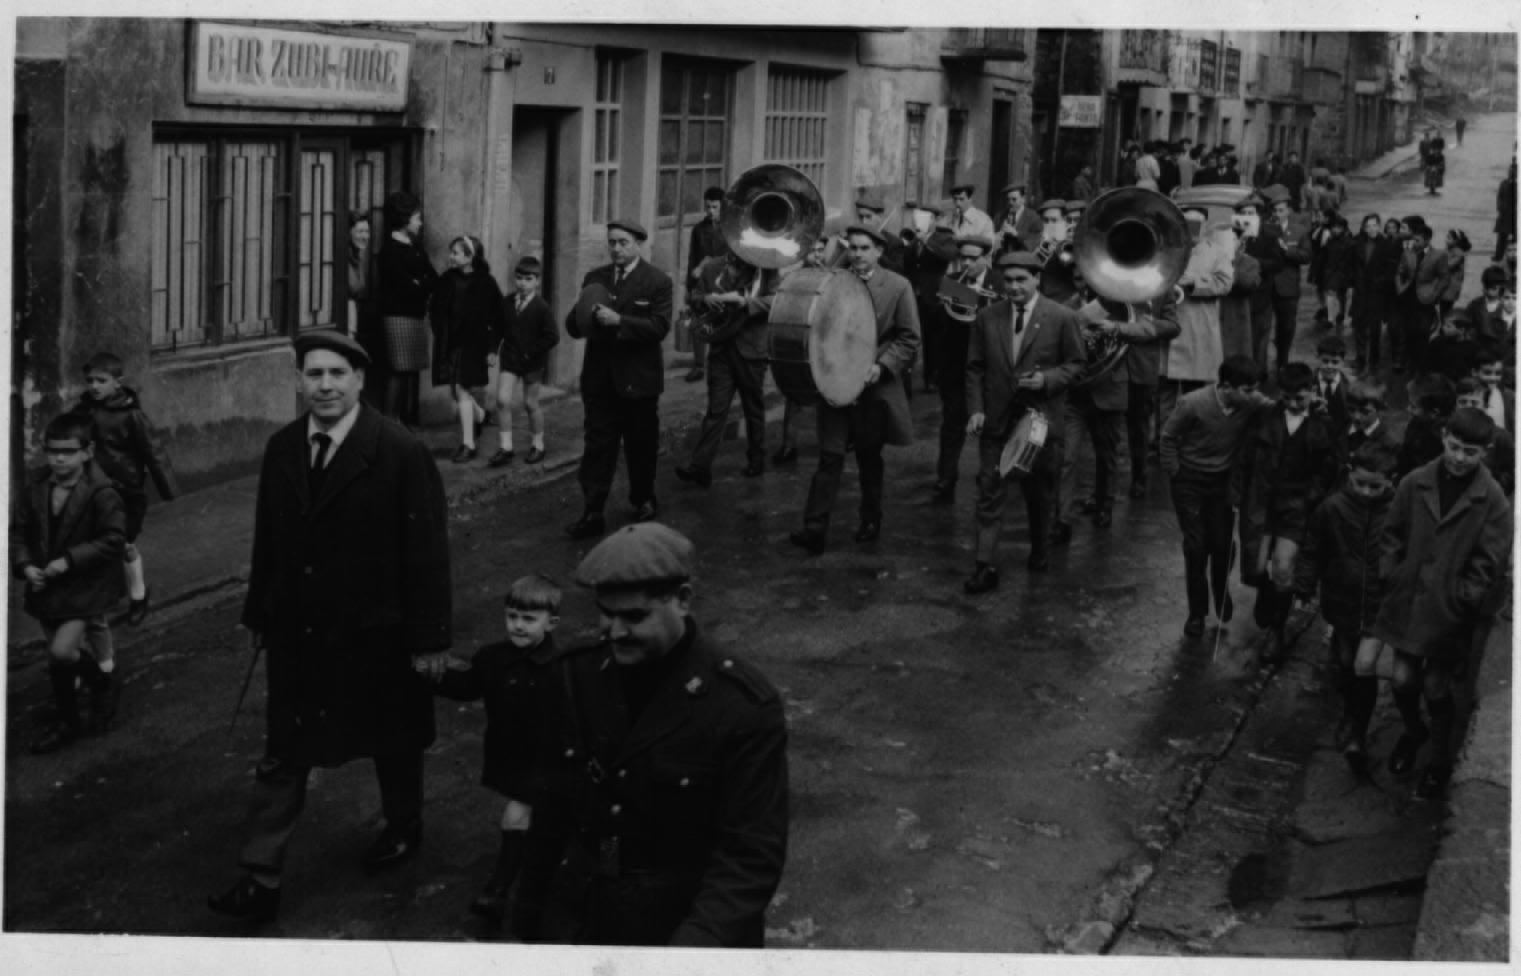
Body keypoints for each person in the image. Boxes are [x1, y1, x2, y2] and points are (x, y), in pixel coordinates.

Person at [209, 331, 453, 924]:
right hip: (301, 633)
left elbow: (426, 554)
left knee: (392, 739)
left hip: (378, 634)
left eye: (337, 374)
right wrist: (261, 613)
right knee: (284, 752)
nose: (324, 386)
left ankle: (403, 823)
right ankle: (261, 876)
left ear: (360, 380)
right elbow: (270, 538)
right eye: (313, 375)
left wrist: (428, 641)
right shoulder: (283, 448)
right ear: (298, 381)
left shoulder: (398, 450)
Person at [532, 522, 788, 946]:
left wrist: (681, 960)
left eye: (634, 616)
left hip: (686, 926)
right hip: (585, 915)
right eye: (605, 613)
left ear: (683, 600)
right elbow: (550, 816)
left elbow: (749, 859)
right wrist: (524, 931)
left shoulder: (740, 705)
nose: (613, 631)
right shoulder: (577, 675)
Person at [1372, 407, 1512, 799]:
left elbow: (1490, 559)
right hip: (1408, 601)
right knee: (1401, 678)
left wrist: (1464, 596)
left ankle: (1437, 759)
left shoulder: (1493, 501)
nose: (1460, 457)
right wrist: (1392, 572)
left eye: (1471, 452)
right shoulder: (1415, 482)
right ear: (1443, 437)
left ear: (1485, 452)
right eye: (1454, 447)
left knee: (1436, 686)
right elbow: (1392, 534)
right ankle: (1413, 730)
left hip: (1451, 613)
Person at [431, 574, 565, 937]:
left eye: (529, 619)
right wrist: (430, 676)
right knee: (526, 820)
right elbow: (468, 686)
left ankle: (498, 891)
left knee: (516, 817)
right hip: (510, 757)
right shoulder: (492, 657)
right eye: (512, 616)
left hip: (547, 760)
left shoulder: (561, 670)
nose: (518, 626)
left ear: (551, 623)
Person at [788, 225, 920, 554]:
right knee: (830, 456)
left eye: (865, 248)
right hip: (835, 382)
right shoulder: (834, 280)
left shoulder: (898, 286)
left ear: (878, 251)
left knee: (868, 456)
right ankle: (814, 528)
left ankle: (871, 518)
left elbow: (909, 339)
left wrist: (882, 366)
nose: (858, 254)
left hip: (872, 389)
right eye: (854, 248)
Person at [963, 250, 1087, 594]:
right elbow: (974, 368)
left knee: (1040, 495)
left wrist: (1047, 380)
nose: (1014, 286)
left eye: (1021, 279)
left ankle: (1040, 549)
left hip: (1042, 425)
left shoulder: (1062, 317)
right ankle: (984, 565)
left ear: (1037, 279)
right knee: (989, 493)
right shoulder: (987, 317)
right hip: (996, 423)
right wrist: (975, 409)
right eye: (1008, 280)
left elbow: (1077, 365)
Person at [9, 413, 127, 753]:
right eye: (53, 451)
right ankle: (73, 716)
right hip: (47, 585)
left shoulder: (102, 493)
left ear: (86, 453)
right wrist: (26, 565)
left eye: (69, 451)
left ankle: (100, 688)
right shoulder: (35, 490)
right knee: (60, 656)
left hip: (85, 587)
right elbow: (18, 534)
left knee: (62, 651)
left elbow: (113, 539)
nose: (59, 458)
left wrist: (70, 559)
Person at [564, 219, 674, 540]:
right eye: (612, 242)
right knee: (598, 448)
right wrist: (581, 313)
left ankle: (642, 499)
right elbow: (575, 326)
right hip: (600, 382)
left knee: (641, 446)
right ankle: (592, 511)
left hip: (638, 382)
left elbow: (659, 327)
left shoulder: (657, 281)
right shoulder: (595, 278)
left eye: (623, 242)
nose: (616, 249)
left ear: (639, 243)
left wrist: (619, 320)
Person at [1292, 441, 1399, 772]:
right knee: (1344, 661)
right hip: (1342, 601)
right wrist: (1304, 585)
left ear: (1390, 481)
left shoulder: (1400, 512)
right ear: (1349, 476)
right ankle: (1349, 715)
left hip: (1380, 605)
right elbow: (1312, 549)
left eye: (1375, 486)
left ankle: (1357, 731)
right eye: (1360, 484)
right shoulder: (1332, 508)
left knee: (1364, 666)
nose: (1366, 492)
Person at [1233, 362, 1343, 660]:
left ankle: (1277, 631)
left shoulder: (1324, 424)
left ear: (1312, 392)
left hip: (1298, 507)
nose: (1294, 404)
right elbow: (1244, 455)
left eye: (1301, 398)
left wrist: (1311, 498)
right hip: (1262, 502)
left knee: (1283, 568)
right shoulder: (1264, 417)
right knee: (1256, 566)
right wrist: (1238, 491)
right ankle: (1265, 594)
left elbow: (1329, 469)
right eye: (1288, 398)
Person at [1161, 356, 1271, 635]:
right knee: (1196, 547)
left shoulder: (1250, 402)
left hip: (1221, 483)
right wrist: (1175, 471)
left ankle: (1220, 591)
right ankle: (1196, 613)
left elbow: (1278, 409)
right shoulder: (1193, 403)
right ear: (1225, 386)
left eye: (1254, 389)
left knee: (1222, 545)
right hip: (1189, 482)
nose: (1253, 395)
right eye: (1247, 390)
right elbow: (1168, 437)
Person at [68, 352, 178, 626]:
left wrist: (168, 489)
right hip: (91, 488)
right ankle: (105, 594)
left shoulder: (131, 415)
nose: (94, 386)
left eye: (101, 381)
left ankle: (138, 595)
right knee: (94, 542)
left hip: (125, 491)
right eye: (90, 380)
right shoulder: (83, 411)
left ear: (118, 382)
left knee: (125, 544)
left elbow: (154, 452)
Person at [1057, 291, 1179, 536]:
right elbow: (1077, 316)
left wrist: (1122, 328)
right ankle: (1098, 499)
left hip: (1139, 367)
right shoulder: (1102, 285)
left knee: (1137, 429)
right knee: (1103, 445)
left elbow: (1173, 326)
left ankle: (1138, 477)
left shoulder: (1159, 287)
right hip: (1103, 373)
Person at [675, 248, 773, 485]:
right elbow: (695, 296)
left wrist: (745, 302)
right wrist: (706, 300)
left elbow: (776, 300)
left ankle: (756, 459)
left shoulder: (767, 268)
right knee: (716, 411)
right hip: (721, 349)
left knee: (753, 409)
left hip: (751, 350)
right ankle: (700, 467)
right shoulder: (712, 267)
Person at [931, 235, 1003, 505]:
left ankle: (989, 477)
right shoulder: (953, 282)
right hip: (957, 367)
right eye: (964, 258)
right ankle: (946, 478)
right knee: (952, 424)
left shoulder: (1001, 283)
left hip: (991, 367)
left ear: (986, 257)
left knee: (993, 425)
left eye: (974, 258)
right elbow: (942, 328)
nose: (968, 263)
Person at [431, 234, 506, 463]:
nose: (451, 257)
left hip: (475, 344)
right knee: (456, 391)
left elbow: (499, 317)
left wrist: (493, 348)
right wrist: (441, 333)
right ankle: (482, 415)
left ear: (470, 256)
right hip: (451, 343)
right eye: (451, 252)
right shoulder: (446, 279)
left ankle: (468, 444)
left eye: (456, 253)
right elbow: (435, 309)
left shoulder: (486, 282)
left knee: (462, 390)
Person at [1159, 205, 1237, 428]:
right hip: (1169, 331)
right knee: (1164, 396)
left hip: (1198, 333)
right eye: (1186, 223)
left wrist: (1195, 282)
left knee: (1197, 396)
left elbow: (1225, 284)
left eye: (1196, 224)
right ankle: (1163, 441)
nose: (1191, 229)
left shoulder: (1216, 252)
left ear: (1206, 226)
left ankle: (1193, 438)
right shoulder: (1166, 251)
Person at [375, 191, 438, 427]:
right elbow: (404, 287)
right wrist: (419, 283)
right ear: (404, 219)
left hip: (415, 314)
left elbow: (432, 277)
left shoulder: (415, 246)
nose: (420, 223)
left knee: (408, 370)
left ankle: (399, 419)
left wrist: (418, 282)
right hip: (398, 316)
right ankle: (390, 421)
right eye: (417, 218)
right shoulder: (390, 250)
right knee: (399, 370)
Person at [490, 256, 560, 467]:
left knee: (530, 404)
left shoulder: (541, 307)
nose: (522, 283)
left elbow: (552, 336)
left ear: (537, 281)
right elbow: (497, 329)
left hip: (531, 362)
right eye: (519, 278)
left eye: (528, 279)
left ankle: (538, 445)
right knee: (502, 400)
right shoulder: (507, 302)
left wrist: (531, 352)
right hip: (510, 358)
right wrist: (493, 350)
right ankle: (506, 447)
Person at [773, 236, 829, 465]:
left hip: (824, 341)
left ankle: (831, 443)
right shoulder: (791, 277)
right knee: (794, 394)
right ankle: (789, 445)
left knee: (828, 395)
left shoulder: (830, 275)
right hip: (798, 341)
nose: (818, 255)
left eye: (821, 250)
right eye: (813, 250)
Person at [1263, 185, 1312, 373]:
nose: (1277, 214)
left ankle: (1282, 359)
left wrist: (1287, 250)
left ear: (1289, 211)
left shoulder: (1299, 230)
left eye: (1281, 210)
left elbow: (1306, 256)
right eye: (1274, 210)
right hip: (1267, 285)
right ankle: (1261, 364)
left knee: (1286, 327)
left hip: (1288, 287)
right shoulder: (1265, 230)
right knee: (1264, 327)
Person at [1393, 216, 1450, 374]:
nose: (1415, 243)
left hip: (1425, 299)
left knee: (1423, 332)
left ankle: (1421, 365)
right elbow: (1399, 272)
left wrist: (1434, 294)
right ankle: (1409, 362)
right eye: (1414, 240)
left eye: (1418, 240)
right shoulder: (1408, 253)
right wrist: (1400, 287)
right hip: (1407, 297)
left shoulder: (1439, 255)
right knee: (1408, 331)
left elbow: (1444, 278)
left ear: (1427, 240)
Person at [1234, 194, 1282, 373]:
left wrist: (1254, 263)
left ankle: (1257, 374)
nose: (1248, 216)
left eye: (1251, 213)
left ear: (1258, 215)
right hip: (1237, 295)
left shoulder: (1269, 235)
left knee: (1258, 339)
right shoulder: (1234, 235)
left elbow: (1277, 263)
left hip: (1260, 296)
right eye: (1244, 213)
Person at [684, 187, 728, 383]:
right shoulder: (698, 229)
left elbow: (731, 256)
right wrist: (689, 286)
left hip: (725, 280)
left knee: (723, 321)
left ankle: (721, 365)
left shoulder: (730, 229)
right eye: (708, 206)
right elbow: (692, 257)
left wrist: (706, 263)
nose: (711, 211)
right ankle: (699, 365)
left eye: (715, 207)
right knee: (698, 320)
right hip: (702, 281)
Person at [1348, 213, 1401, 371]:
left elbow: (1391, 268)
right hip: (1360, 290)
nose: (1371, 229)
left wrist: (1381, 282)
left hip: (1377, 292)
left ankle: (1374, 360)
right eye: (1367, 226)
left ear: (1379, 226)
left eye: (1374, 225)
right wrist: (1353, 280)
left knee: (1374, 328)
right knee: (1358, 326)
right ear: (1364, 228)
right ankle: (1360, 358)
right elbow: (1350, 264)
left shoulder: (1386, 244)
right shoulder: (1357, 242)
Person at [346, 212, 387, 409]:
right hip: (344, 313)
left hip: (353, 312)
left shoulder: (356, 256)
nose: (365, 236)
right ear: (348, 232)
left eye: (367, 231)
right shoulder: (344, 258)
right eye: (360, 231)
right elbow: (353, 287)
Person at [1455, 378, 1516, 495]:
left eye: (1474, 402)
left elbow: (1510, 474)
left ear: (1485, 405)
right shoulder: (1446, 433)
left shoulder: (1500, 437)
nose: (1468, 406)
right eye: (1463, 402)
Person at [1396, 373, 1456, 481]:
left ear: (1434, 412)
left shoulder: (1442, 440)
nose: (1408, 409)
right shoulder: (1418, 422)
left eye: (1413, 406)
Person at [1314, 214, 1356, 331]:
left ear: (1343, 228)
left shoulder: (1349, 242)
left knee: (1345, 296)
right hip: (1332, 272)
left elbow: (1352, 261)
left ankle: (1345, 317)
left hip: (1345, 273)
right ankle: (1331, 319)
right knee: (1331, 294)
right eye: (1334, 227)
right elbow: (1325, 257)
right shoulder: (1330, 241)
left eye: (1339, 227)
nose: (1336, 229)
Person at [1344, 380, 1397, 457]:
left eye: (1365, 412)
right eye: (1351, 409)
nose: (1357, 417)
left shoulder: (1388, 445)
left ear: (1379, 411)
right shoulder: (1336, 426)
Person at [1426, 310, 1481, 383]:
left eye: (1448, 326)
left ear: (1461, 330)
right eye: (1443, 325)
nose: (1443, 328)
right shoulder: (1437, 342)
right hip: (1438, 385)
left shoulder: (1473, 348)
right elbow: (1428, 364)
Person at [1313, 336, 1351, 431]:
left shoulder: (1350, 387)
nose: (1329, 366)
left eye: (1335, 362)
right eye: (1325, 361)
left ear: (1343, 361)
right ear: (1318, 358)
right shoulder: (1308, 382)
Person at [993, 184, 1043, 255]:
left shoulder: (1033, 217)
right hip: (1003, 260)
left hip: (1022, 260)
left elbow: (1037, 239)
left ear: (1023, 199)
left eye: (1014, 199)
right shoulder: (1000, 216)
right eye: (1008, 199)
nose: (1010, 203)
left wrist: (1016, 234)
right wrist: (997, 236)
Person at [1494, 162, 1516, 264]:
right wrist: (1499, 206)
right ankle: (1498, 255)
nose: (1511, 172)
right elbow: (1499, 196)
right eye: (1510, 170)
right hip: (1503, 214)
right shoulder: (1504, 183)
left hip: (1513, 215)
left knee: (1513, 238)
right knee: (1501, 237)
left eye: (1513, 171)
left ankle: (1511, 257)